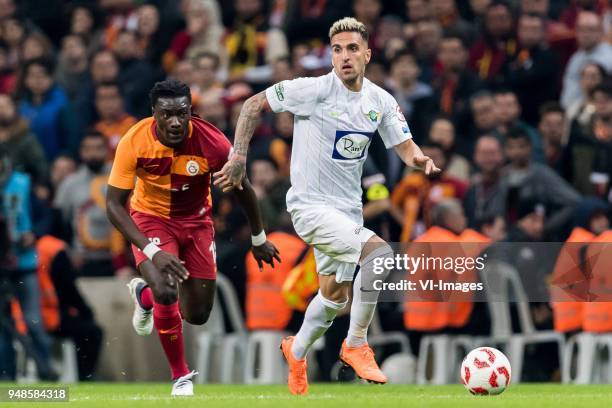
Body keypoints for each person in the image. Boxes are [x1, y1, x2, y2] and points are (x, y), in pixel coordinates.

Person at [213, 17, 439, 395]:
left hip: (349, 211)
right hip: (310, 207)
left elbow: (404, 145)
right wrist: (238, 156)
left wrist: (422, 161)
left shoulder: (380, 100)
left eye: (352, 49)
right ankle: (355, 345)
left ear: (367, 53)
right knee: (381, 257)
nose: (345, 56)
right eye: (337, 50)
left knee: (334, 297)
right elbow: (253, 105)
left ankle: (296, 349)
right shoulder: (311, 90)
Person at [105, 79, 279, 396]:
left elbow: (243, 189)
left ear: (190, 112)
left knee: (197, 315)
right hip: (151, 219)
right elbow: (113, 206)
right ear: (154, 113)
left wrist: (258, 238)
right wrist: (151, 251)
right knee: (167, 289)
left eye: (181, 114)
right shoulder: (133, 141)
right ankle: (181, 377)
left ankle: (145, 296)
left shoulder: (212, 142)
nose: (175, 121)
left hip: (197, 224)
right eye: (167, 114)